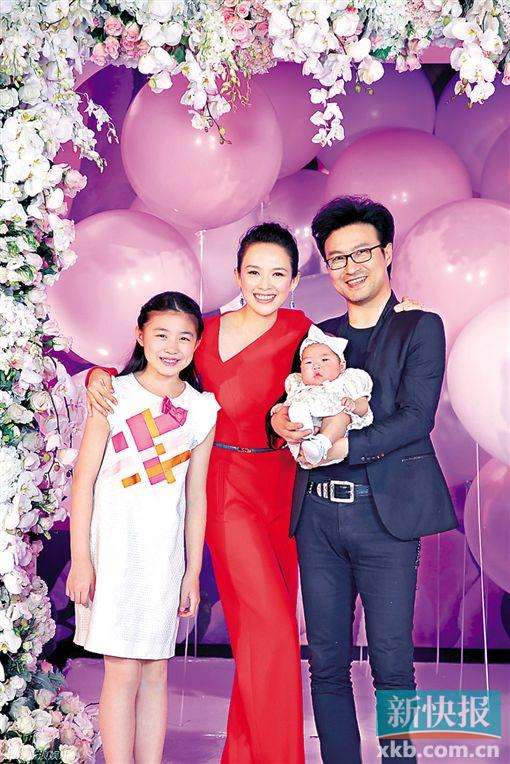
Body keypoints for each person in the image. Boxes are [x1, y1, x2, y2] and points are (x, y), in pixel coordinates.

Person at [85, 222, 421, 763]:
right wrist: (98, 375)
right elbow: (152, 365)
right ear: (237, 275)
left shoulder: (303, 331)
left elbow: (356, 357)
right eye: (255, 272)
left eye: (279, 274)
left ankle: (244, 755)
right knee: (273, 633)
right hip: (223, 485)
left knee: (259, 634)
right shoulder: (205, 331)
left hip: (287, 491)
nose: (266, 284)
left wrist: (404, 315)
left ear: (295, 281)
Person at [271, 196, 458, 764]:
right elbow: (285, 401)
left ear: (387, 252)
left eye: (361, 253)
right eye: (337, 259)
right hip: (318, 519)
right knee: (325, 664)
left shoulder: (420, 326)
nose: (350, 268)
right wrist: (278, 419)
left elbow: (416, 418)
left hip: (386, 520)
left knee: (392, 665)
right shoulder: (317, 336)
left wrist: (342, 445)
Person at [67, 291, 219, 763]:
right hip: (114, 553)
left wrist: (192, 571)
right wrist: (81, 560)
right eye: (161, 335)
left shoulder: (203, 409)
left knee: (156, 670)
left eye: (184, 338)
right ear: (140, 335)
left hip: (163, 558)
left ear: (197, 344)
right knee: (122, 670)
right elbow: (83, 482)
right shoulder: (113, 394)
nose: (172, 347)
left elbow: (196, 495)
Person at [281, 323, 373, 467]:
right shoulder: (299, 386)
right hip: (306, 433)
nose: (316, 366)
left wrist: (354, 405)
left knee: (341, 416)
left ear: (341, 366)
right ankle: (304, 444)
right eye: (308, 362)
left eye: (324, 360)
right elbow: (288, 404)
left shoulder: (346, 382)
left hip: (333, 441)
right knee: (296, 408)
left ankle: (320, 444)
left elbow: (364, 407)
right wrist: (282, 408)